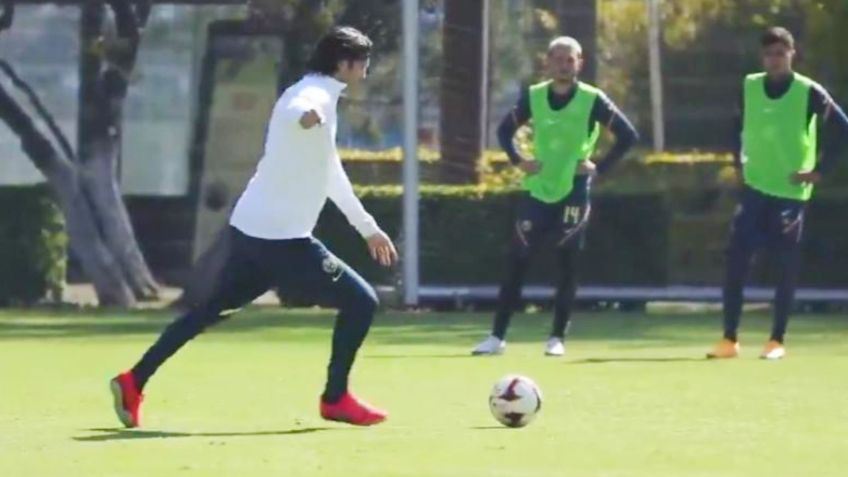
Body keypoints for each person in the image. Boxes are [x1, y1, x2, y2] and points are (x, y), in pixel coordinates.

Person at [110, 26, 398, 427]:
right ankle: (335, 399)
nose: (365, 70)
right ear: (344, 63)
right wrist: (306, 118)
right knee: (361, 301)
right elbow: (302, 109)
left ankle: (133, 380)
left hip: (251, 231)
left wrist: (367, 227)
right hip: (283, 240)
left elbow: (330, 172)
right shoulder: (314, 96)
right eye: (363, 62)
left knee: (208, 311)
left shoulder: (318, 94)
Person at [471, 36, 638, 357]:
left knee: (567, 262)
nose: (563, 65)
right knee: (517, 260)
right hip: (538, 191)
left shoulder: (593, 99)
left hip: (573, 192)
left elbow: (628, 136)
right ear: (547, 62)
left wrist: (598, 167)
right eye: (558, 59)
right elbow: (505, 131)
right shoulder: (533, 96)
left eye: (570, 60)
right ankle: (496, 337)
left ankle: (557, 337)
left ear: (579, 63)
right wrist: (520, 161)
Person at [708, 26, 848, 360]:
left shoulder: (808, 92)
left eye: (780, 53)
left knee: (784, 266)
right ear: (763, 57)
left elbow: (842, 129)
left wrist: (819, 172)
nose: (774, 59)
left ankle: (776, 340)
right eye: (769, 53)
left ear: (792, 54)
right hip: (754, 191)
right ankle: (729, 339)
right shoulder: (749, 86)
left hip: (789, 193)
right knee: (736, 262)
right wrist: (737, 166)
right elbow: (736, 127)